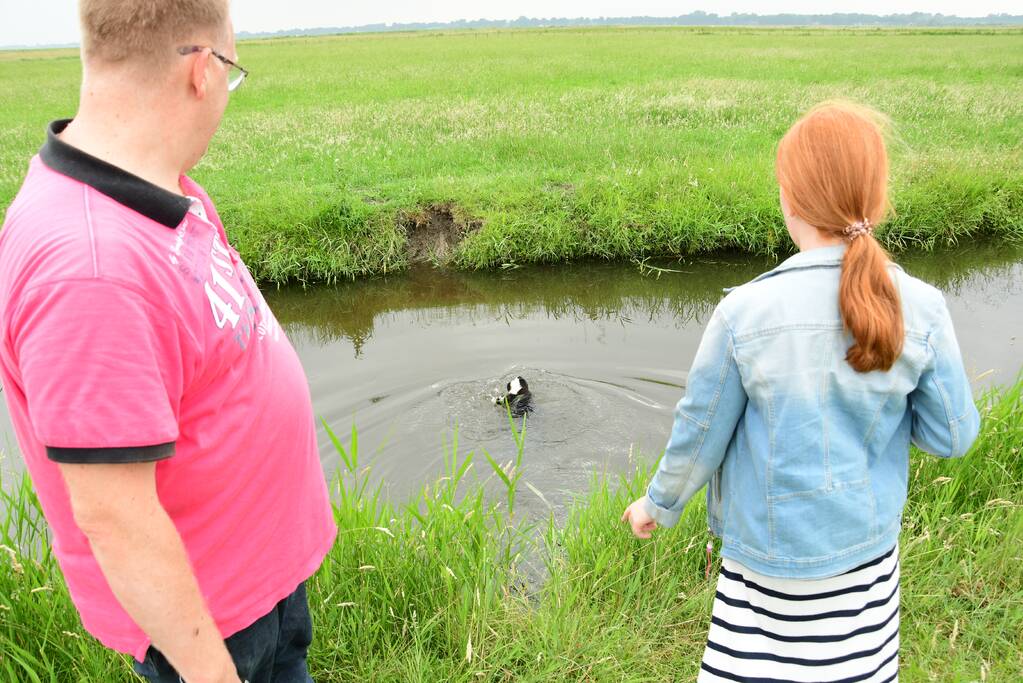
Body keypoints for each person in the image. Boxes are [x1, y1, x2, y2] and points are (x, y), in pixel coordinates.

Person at [0, 2, 336, 681]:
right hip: (210, 627)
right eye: (231, 71)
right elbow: (114, 516)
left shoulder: (164, 191)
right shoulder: (89, 269)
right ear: (202, 72)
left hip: (261, 585)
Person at [621, 101, 980, 682]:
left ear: (791, 201)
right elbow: (953, 437)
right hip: (864, 575)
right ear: (876, 198)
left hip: (762, 576)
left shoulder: (744, 310)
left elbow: (699, 432)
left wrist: (657, 506)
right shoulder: (922, 306)